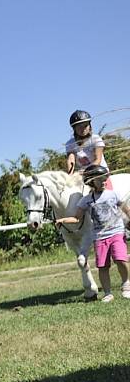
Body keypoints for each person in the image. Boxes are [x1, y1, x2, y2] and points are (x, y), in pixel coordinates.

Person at [57, 164, 130, 302]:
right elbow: (77, 218)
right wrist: (63, 219)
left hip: (117, 232)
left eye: (105, 178)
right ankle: (108, 293)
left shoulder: (113, 194)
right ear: (91, 182)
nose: (104, 181)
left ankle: (126, 284)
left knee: (121, 259)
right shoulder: (86, 200)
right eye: (101, 179)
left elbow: (126, 210)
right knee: (103, 266)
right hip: (100, 237)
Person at [65, 110, 112, 189]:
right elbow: (71, 160)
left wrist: (86, 171)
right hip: (81, 175)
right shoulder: (70, 143)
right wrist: (70, 175)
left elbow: (98, 160)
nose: (83, 129)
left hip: (99, 172)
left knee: (107, 193)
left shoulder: (95, 139)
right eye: (79, 127)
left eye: (85, 126)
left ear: (89, 125)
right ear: (74, 128)